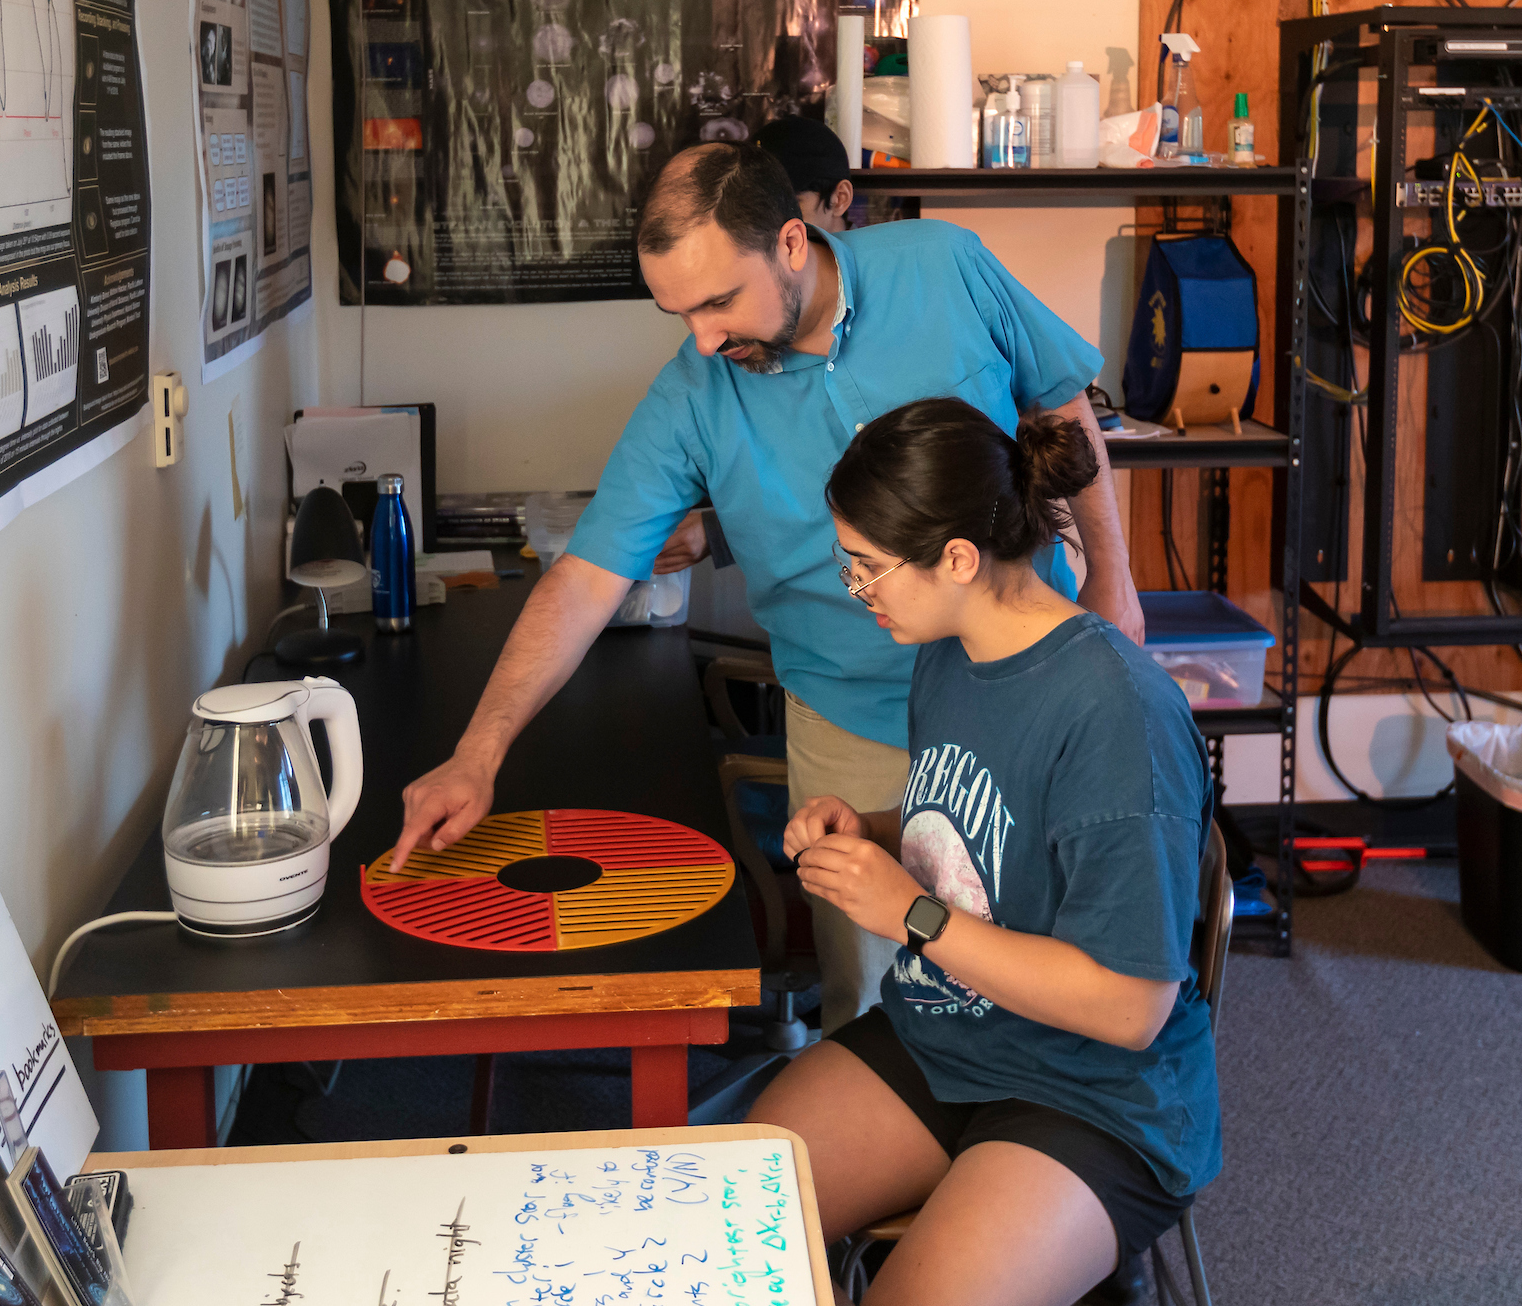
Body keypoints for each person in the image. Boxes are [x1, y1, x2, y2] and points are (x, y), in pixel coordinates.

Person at [389, 142, 1146, 1034]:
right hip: (852, 716)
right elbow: (586, 579)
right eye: (679, 314)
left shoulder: (943, 265)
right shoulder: (692, 394)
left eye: (718, 302)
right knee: (880, 1010)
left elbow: (1060, 409)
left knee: (1052, 976)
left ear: (793, 242)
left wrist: (1114, 581)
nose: (704, 340)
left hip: (1028, 688)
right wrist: (478, 752)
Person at [754, 397, 1220, 1306]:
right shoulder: (949, 648)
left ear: (958, 558)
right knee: (727, 1215)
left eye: (867, 567)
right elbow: (980, 818)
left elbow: (1129, 1008)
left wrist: (910, 913)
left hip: (1096, 1095)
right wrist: (875, 833)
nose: (858, 589)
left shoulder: (1114, 712)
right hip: (949, 1034)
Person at [751, 113, 855, 232]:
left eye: (789, 206)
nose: (764, 221)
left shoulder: (875, 250)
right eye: (755, 207)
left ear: (840, 199)